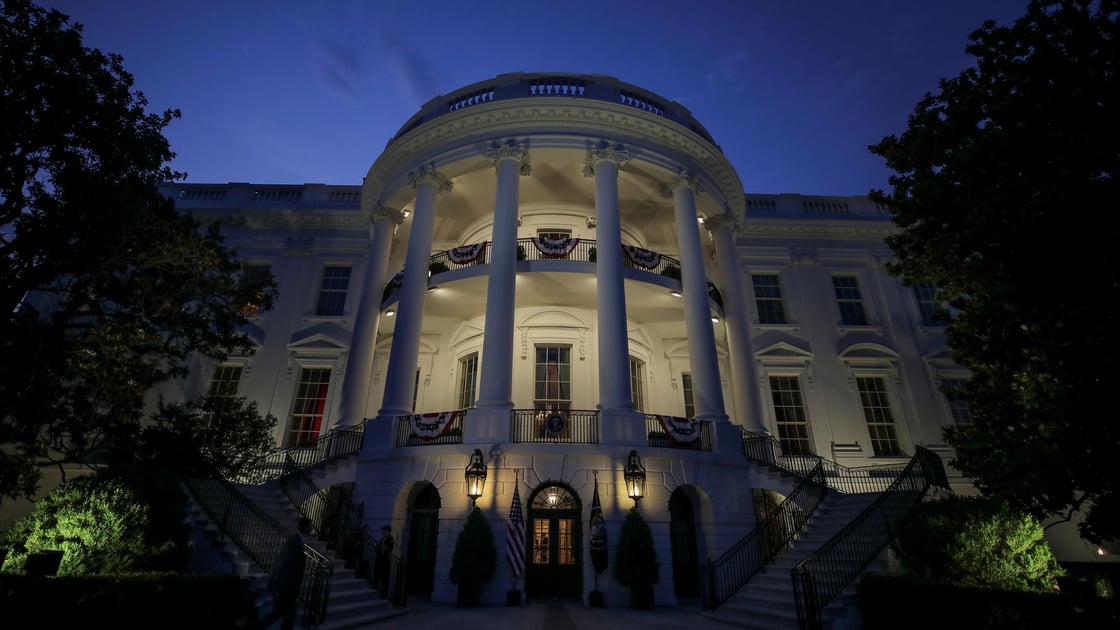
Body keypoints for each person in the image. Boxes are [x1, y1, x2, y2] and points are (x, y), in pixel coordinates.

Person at [259, 517, 311, 630]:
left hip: (286, 587)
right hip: (287, 588)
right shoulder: (295, 542)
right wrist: (283, 587)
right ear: (305, 527)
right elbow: (287, 565)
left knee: (279, 614)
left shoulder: (296, 541)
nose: (311, 529)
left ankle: (257, 625)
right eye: (310, 526)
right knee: (289, 617)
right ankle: (257, 625)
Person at [373, 525, 394, 598]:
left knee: (385, 577)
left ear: (388, 531)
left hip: (385, 561)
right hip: (379, 559)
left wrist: (382, 545)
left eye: (385, 531)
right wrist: (377, 547)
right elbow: (379, 548)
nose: (383, 532)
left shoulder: (390, 539)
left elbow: (387, 549)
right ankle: (375, 589)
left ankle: (384, 594)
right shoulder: (382, 539)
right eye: (383, 531)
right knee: (377, 574)